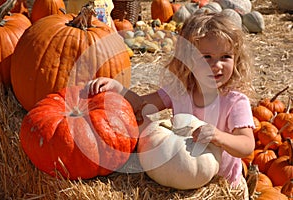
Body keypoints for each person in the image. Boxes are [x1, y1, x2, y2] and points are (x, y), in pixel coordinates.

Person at [85, 12, 255, 198]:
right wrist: (118, 89)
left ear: (236, 59)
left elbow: (246, 145)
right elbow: (140, 105)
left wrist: (218, 136)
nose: (217, 65)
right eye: (207, 57)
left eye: (225, 57)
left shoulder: (235, 102)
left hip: (222, 186)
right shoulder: (179, 91)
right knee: (142, 122)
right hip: (179, 180)